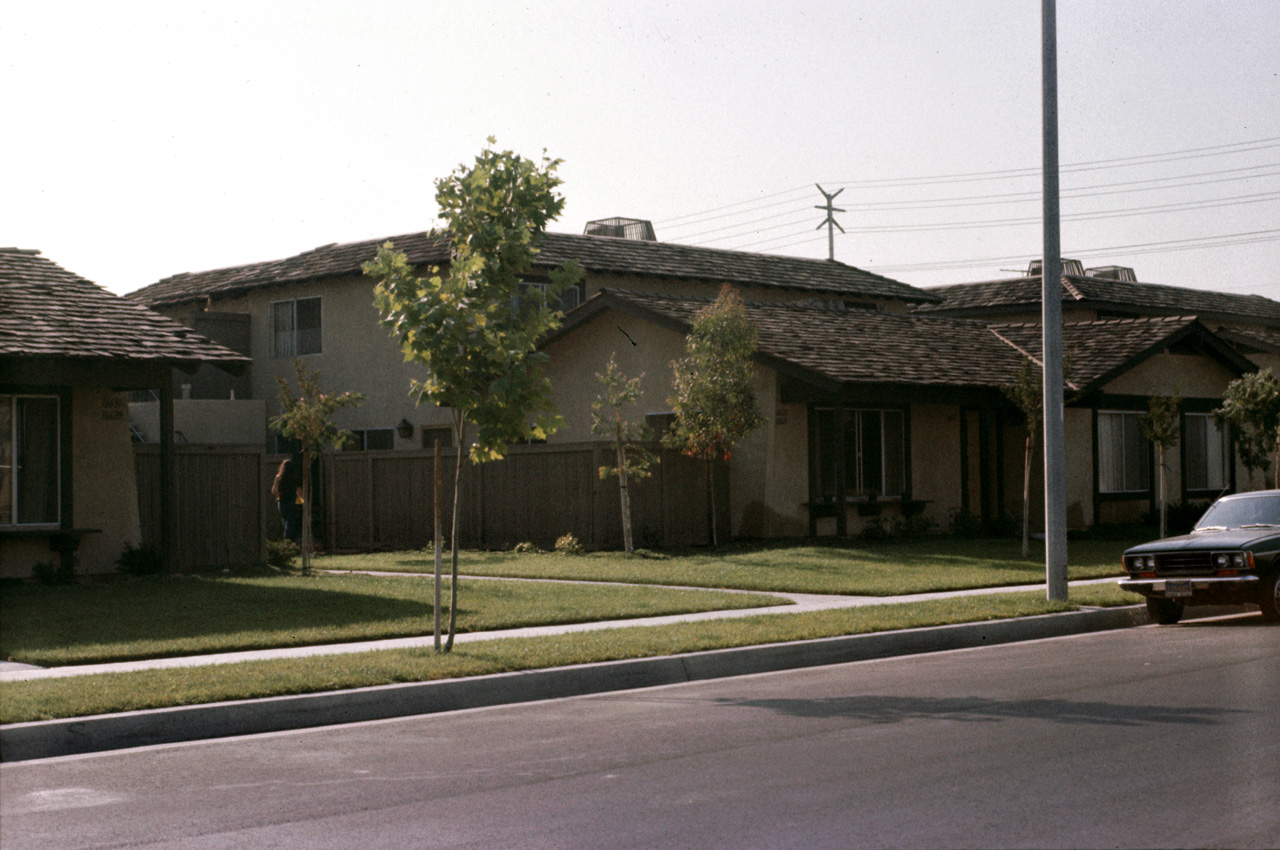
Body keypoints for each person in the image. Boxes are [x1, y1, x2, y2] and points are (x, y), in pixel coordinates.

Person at [271, 453, 303, 543]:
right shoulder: (293, 478)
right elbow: (299, 491)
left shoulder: (278, 478)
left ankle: (288, 544)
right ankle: (288, 543)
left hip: (281, 503)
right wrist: (304, 500)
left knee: (286, 523)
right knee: (290, 525)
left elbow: (273, 491)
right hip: (291, 503)